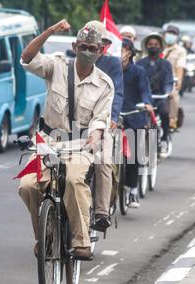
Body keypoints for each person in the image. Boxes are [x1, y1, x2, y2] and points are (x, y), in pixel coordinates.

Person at [18, 20, 114, 260]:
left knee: (73, 179)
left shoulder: (104, 84)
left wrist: (94, 137)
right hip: (48, 142)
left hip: (81, 145)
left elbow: (100, 119)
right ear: (75, 45)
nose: (87, 52)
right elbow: (27, 58)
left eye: (93, 49)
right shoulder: (57, 66)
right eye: (83, 46)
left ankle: (81, 239)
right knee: (27, 186)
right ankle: (45, 235)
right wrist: (50, 30)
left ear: (101, 51)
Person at [83, 20, 123, 232]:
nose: (90, 49)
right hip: (72, 126)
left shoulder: (112, 64)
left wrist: (113, 117)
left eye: (96, 44)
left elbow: (117, 94)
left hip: (102, 123)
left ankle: (101, 211)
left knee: (103, 162)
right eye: (86, 44)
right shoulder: (74, 62)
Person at [120, 38, 153, 208]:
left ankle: (132, 190)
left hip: (134, 115)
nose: (120, 53)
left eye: (123, 49)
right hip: (113, 117)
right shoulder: (109, 71)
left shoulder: (138, 71)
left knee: (132, 155)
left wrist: (146, 103)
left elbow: (144, 91)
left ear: (130, 53)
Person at [137, 33, 174, 159]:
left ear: (160, 47)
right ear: (146, 47)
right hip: (144, 98)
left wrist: (168, 92)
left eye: (156, 45)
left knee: (164, 111)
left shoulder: (166, 64)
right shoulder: (140, 63)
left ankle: (164, 138)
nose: (153, 47)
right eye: (150, 45)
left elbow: (169, 81)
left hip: (159, 97)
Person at [162, 25, 186, 131]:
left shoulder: (180, 51)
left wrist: (179, 81)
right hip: (154, 78)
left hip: (170, 80)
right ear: (164, 34)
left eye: (174, 34)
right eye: (169, 33)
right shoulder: (158, 45)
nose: (171, 35)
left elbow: (180, 67)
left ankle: (172, 120)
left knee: (174, 95)